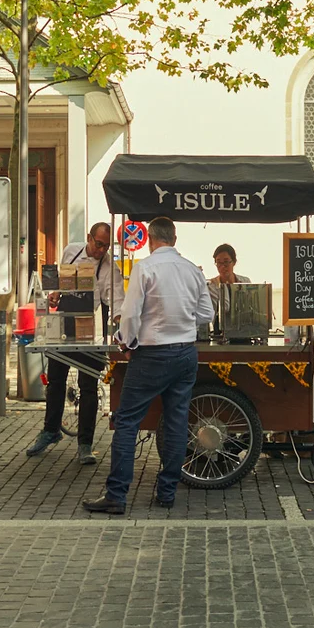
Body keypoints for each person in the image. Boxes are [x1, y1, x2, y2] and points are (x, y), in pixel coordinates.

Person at [83, 216, 213, 514]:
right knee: (177, 422)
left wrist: (126, 342)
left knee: (128, 421)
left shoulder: (144, 268)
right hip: (184, 353)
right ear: (174, 239)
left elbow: (129, 315)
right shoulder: (192, 270)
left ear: (152, 240)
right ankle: (167, 492)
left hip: (151, 354)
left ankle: (117, 494)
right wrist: (182, 321)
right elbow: (207, 313)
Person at [27, 221, 121, 465]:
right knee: (56, 381)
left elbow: (117, 299)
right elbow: (61, 280)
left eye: (106, 246)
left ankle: (85, 444)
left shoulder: (110, 267)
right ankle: (50, 431)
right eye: (98, 244)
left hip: (91, 331)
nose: (101, 250)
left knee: (88, 386)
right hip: (64, 327)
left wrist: (118, 324)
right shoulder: (71, 250)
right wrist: (56, 291)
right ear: (89, 237)